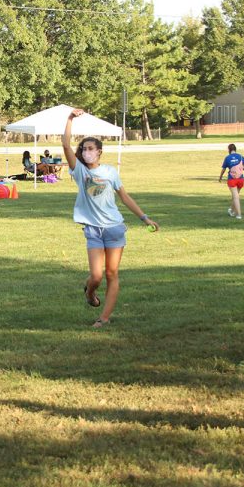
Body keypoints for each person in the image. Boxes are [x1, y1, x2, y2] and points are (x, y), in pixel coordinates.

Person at [63, 109, 160, 329]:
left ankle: (103, 318)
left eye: (90, 149)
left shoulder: (110, 172)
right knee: (96, 276)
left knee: (111, 273)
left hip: (114, 228)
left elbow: (124, 197)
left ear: (99, 151)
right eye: (84, 149)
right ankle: (90, 292)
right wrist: (70, 119)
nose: (86, 152)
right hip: (94, 230)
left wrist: (145, 218)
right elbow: (66, 145)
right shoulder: (79, 171)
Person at [219, 143, 244, 220]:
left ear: (229, 150)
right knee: (235, 195)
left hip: (232, 179)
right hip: (240, 179)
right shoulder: (241, 156)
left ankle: (239, 215)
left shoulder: (227, 158)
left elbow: (224, 169)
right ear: (235, 149)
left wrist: (220, 177)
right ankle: (231, 210)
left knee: (235, 197)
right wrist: (242, 169)